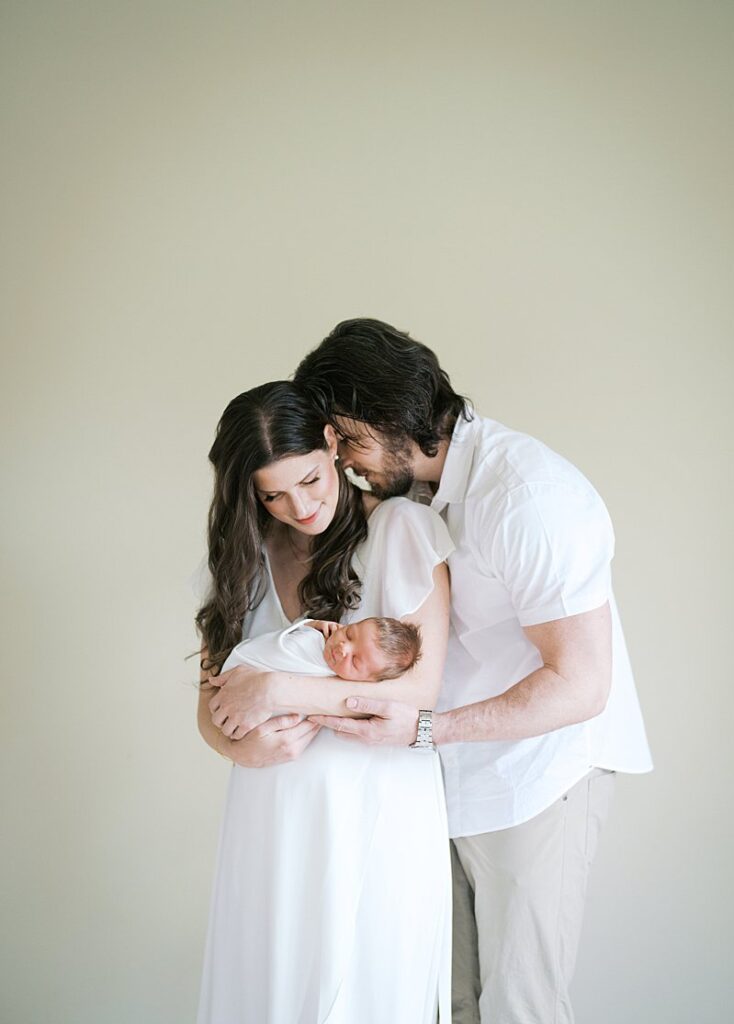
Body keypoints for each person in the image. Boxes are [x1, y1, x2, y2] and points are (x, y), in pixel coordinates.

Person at [286, 318, 655, 1024]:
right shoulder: (410, 493)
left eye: (348, 438)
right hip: (451, 775)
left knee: (520, 1008)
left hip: (541, 777)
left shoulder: (528, 498)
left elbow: (580, 682)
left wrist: (425, 728)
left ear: (393, 419)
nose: (346, 462)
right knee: (449, 1003)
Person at [195, 380, 454, 1024]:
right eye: (273, 494)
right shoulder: (242, 558)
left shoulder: (401, 530)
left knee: (373, 983)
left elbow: (419, 693)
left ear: (333, 445)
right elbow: (209, 706)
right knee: (273, 985)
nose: (299, 505)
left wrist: (282, 690)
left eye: (310, 479)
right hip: (271, 812)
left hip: (378, 808)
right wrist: (235, 744)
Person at [221, 614, 422, 682]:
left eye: (355, 661)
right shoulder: (318, 636)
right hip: (241, 663)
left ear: (369, 681)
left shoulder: (332, 683)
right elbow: (283, 638)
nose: (343, 648)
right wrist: (311, 624)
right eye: (350, 633)